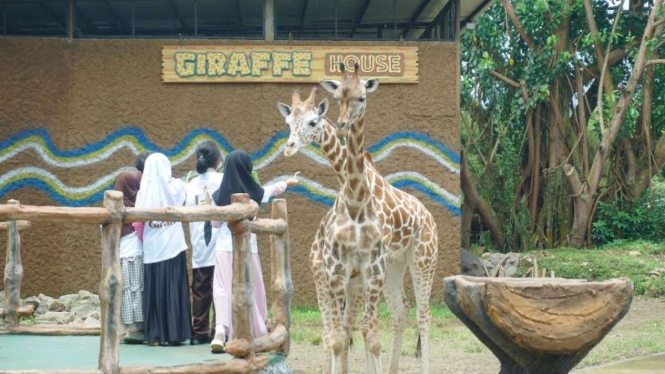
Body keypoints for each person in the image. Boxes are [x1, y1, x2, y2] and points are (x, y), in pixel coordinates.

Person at [209, 150, 294, 353]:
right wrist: (287, 183)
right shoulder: (255, 193)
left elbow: (214, 224)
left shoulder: (218, 196)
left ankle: (221, 331)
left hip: (223, 250)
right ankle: (255, 331)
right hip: (248, 251)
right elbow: (273, 190)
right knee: (252, 289)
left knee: (222, 290)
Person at [132, 153, 191, 346]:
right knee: (174, 287)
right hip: (173, 244)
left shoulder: (144, 191)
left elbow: (137, 216)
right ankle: (175, 334)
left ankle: (155, 335)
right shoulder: (176, 185)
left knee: (155, 289)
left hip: (153, 247)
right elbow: (183, 194)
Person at [185, 141, 224, 345]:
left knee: (200, 288)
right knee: (221, 287)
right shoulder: (224, 179)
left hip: (199, 242)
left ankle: (199, 331)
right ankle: (220, 329)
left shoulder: (191, 184)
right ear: (218, 160)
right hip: (222, 244)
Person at [112, 151, 151, 343]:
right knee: (134, 286)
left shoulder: (119, 210)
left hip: (125, 246)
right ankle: (135, 328)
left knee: (127, 286)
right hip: (132, 247)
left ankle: (125, 327)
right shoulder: (135, 208)